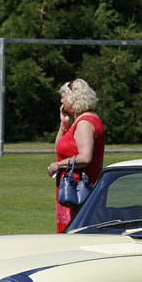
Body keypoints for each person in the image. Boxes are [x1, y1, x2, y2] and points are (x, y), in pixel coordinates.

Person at [47, 78, 105, 232]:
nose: (61, 100)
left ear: (74, 98)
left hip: (78, 190)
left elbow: (85, 158)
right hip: (74, 188)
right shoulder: (80, 121)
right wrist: (64, 125)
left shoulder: (85, 123)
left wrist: (58, 165)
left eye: (63, 96)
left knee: (76, 232)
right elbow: (59, 149)